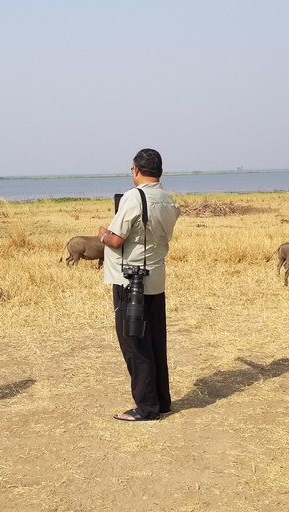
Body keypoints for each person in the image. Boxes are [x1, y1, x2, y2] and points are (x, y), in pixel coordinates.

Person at [98, 149, 180, 421]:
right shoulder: (168, 200)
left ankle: (146, 408)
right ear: (160, 172)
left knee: (134, 342)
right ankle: (162, 402)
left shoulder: (133, 198)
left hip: (130, 281)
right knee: (156, 340)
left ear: (135, 169)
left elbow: (116, 240)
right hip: (156, 278)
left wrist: (102, 234)